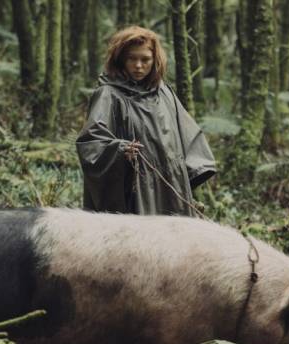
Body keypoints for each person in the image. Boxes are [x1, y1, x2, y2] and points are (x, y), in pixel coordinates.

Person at [76, 26, 216, 216]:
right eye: (132, 59)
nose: (138, 66)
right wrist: (120, 150)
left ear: (155, 60)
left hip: (168, 186)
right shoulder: (109, 95)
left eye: (145, 59)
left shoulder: (164, 92)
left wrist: (187, 173)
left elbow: (187, 134)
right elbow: (91, 142)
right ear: (120, 59)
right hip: (133, 190)